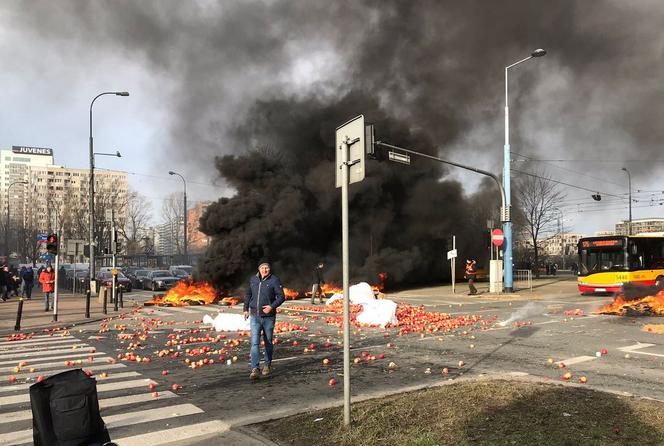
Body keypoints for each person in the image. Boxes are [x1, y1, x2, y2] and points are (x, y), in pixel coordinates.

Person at [243, 260, 285, 380]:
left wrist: (271, 306)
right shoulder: (253, 279)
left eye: (266, 268)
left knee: (268, 342)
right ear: (259, 269)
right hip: (254, 316)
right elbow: (248, 295)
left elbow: (281, 296)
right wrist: (245, 309)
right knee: (254, 343)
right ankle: (255, 368)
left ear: (269, 269)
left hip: (269, 317)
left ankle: (267, 364)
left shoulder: (274, 280)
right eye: (262, 268)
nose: (264, 270)